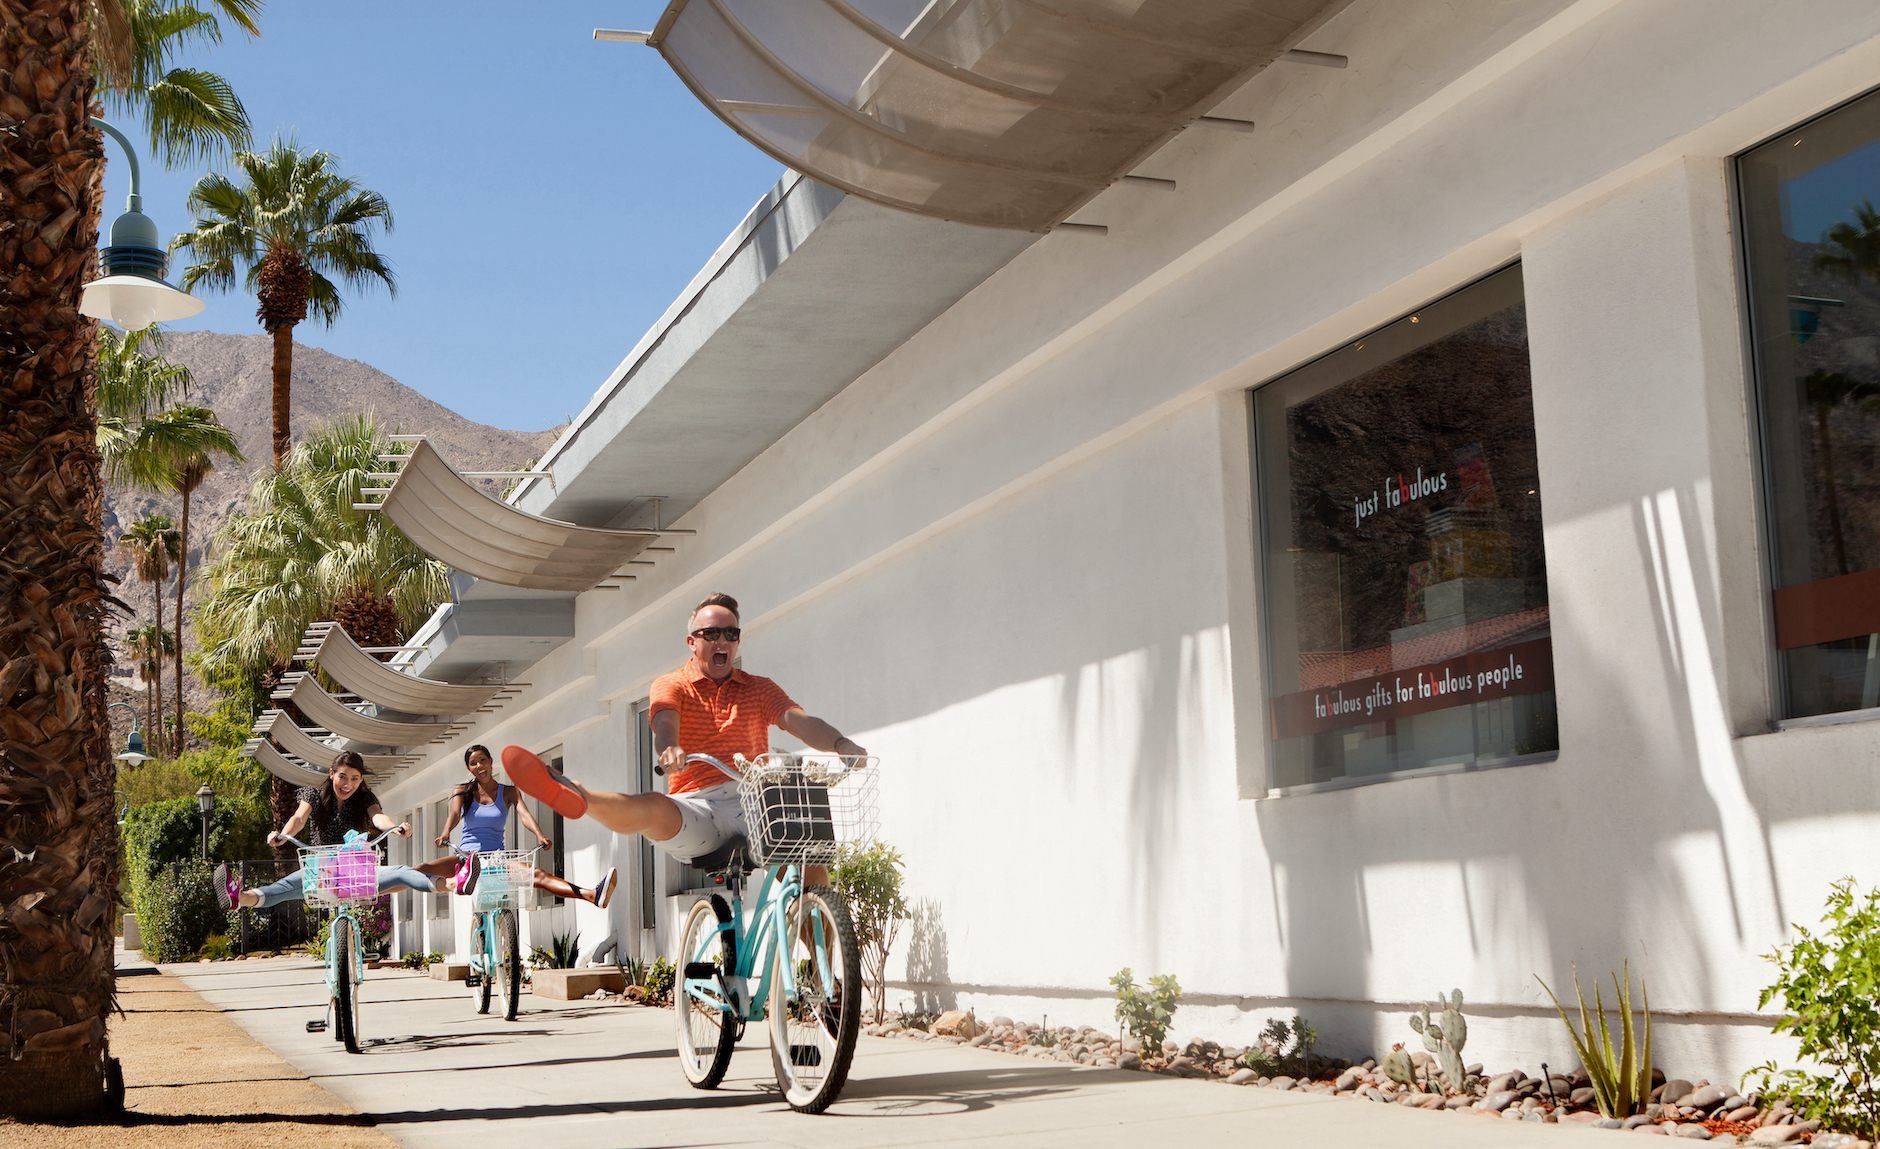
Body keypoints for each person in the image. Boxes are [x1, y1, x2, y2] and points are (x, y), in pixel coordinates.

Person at [502, 592, 867, 888]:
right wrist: (670, 748)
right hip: (698, 806)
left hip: (754, 805)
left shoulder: (759, 688)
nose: (721, 640)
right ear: (692, 642)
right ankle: (581, 796)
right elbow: (664, 721)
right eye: (711, 634)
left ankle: (823, 972)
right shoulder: (672, 684)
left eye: (730, 634)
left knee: (813, 858)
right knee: (653, 807)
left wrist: (841, 745)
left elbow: (798, 722)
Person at [217, 751, 478, 911]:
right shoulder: (314, 795)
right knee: (282, 888)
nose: (348, 784)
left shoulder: (364, 798)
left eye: (355, 778)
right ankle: (238, 897)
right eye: (342, 776)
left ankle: (454, 883)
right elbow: (298, 818)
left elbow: (377, 818)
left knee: (402, 872)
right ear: (332, 774)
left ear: (361, 779)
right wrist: (280, 835)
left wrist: (396, 828)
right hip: (321, 871)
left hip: (356, 872)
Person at [425, 744, 618, 908]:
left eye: (482, 760)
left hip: (496, 859)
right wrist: (445, 833)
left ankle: (591, 895)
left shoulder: (508, 792)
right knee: (422, 868)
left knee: (537, 875)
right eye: (473, 763)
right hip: (466, 858)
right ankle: (408, 881)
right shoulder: (462, 791)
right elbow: (455, 814)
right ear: (469, 769)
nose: (479, 766)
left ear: (491, 762)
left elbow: (524, 814)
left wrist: (540, 835)